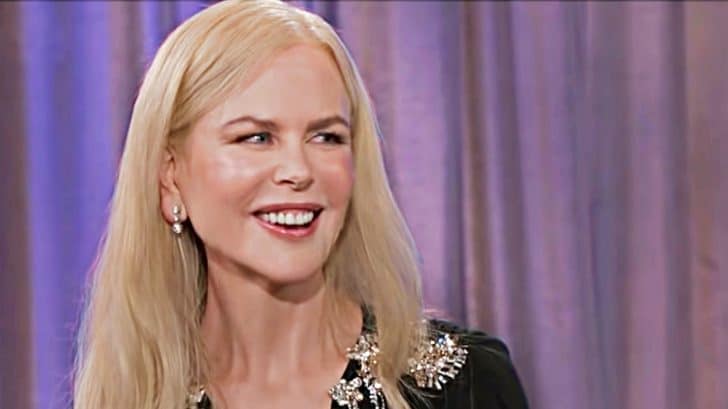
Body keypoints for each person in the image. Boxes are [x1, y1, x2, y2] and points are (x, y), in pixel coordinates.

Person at [72, 1, 529, 408]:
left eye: (326, 137)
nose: (299, 170)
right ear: (170, 177)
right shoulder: (135, 396)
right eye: (256, 137)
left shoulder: (468, 386)